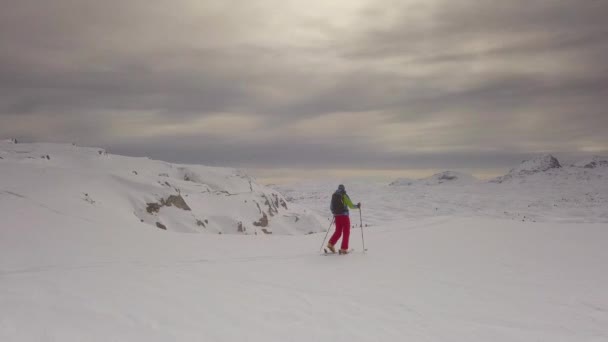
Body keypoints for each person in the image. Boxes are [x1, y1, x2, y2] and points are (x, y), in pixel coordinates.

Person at [327, 184, 360, 254]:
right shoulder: (344, 195)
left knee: (338, 231)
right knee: (346, 232)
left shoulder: (334, 196)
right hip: (344, 216)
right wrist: (357, 206)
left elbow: (331, 207)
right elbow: (351, 206)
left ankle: (330, 244)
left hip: (337, 217)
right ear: (344, 189)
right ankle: (343, 249)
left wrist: (335, 213)